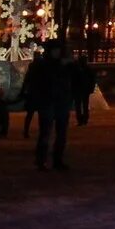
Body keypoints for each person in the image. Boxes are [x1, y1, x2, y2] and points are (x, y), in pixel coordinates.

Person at [25, 39, 74, 170]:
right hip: (48, 102)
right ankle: (41, 160)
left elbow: (73, 78)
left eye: (59, 50)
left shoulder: (64, 65)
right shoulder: (44, 65)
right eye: (55, 50)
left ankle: (57, 160)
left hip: (61, 101)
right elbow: (38, 82)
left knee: (61, 133)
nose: (57, 52)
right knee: (45, 132)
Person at [68, 52, 96, 126]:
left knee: (79, 105)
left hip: (78, 89)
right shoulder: (87, 69)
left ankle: (80, 120)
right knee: (84, 105)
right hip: (84, 89)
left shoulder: (77, 69)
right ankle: (84, 119)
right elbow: (92, 79)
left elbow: (72, 79)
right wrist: (91, 88)